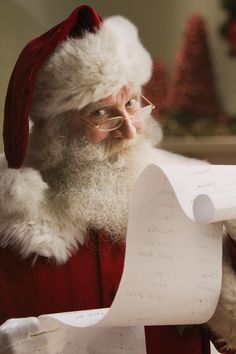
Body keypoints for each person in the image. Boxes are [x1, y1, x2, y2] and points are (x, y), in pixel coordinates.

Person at [0, 4, 235, 354]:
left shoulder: (185, 198)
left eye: (131, 104)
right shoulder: (12, 235)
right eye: (101, 112)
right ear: (56, 130)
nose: (127, 130)